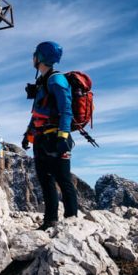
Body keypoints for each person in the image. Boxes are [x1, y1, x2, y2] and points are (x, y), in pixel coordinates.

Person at [22, 41, 79, 230]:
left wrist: (63, 136)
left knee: (63, 180)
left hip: (55, 137)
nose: (33, 58)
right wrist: (28, 134)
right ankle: (50, 221)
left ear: (41, 57)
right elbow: (37, 112)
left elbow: (66, 110)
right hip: (41, 139)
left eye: (35, 55)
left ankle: (71, 221)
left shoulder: (56, 80)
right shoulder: (42, 82)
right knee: (46, 181)